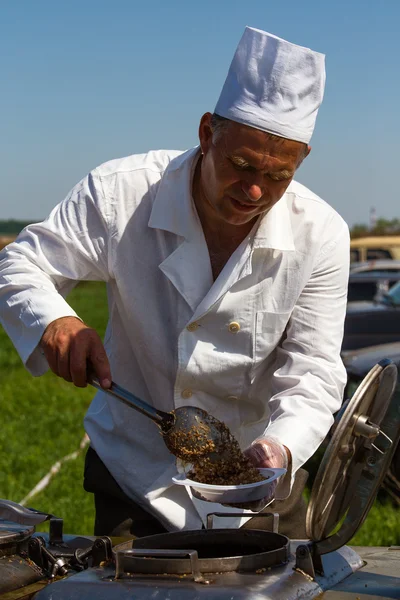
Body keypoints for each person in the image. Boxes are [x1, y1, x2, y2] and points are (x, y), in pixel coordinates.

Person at [0, 27, 349, 538]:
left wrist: (280, 447)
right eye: (241, 165)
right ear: (207, 133)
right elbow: (21, 265)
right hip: (134, 472)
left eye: (277, 176)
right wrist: (55, 320)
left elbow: (315, 371)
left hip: (257, 484)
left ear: (302, 162)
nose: (254, 190)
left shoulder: (321, 234)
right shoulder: (121, 193)